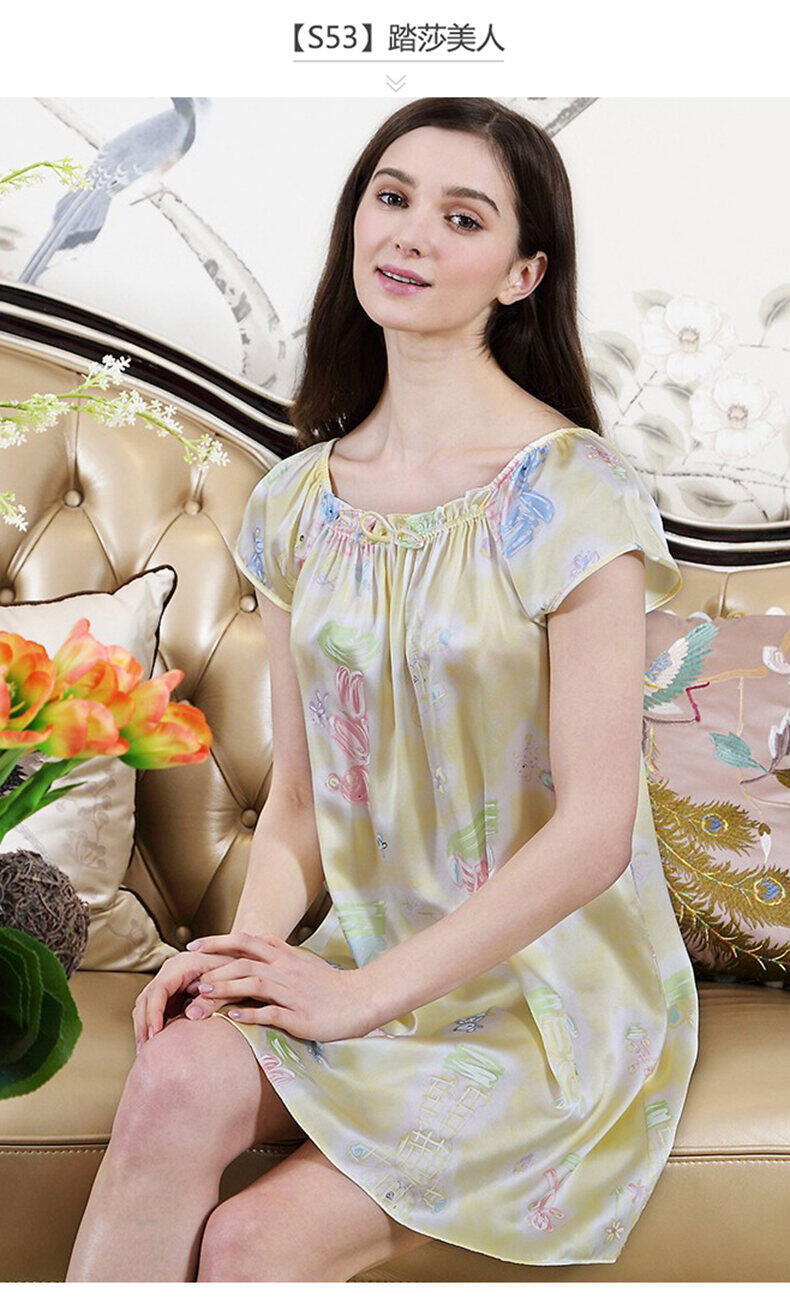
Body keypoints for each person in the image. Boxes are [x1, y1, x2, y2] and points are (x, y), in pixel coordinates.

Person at [66, 96, 699, 1281]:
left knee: (253, 1243)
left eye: (462, 217)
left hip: (547, 997)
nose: (409, 233)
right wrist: (248, 955)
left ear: (522, 274)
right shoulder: (295, 505)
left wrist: (357, 998)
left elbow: (593, 832)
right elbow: (302, 807)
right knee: (177, 1073)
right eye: (392, 197)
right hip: (359, 956)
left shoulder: (573, 493)